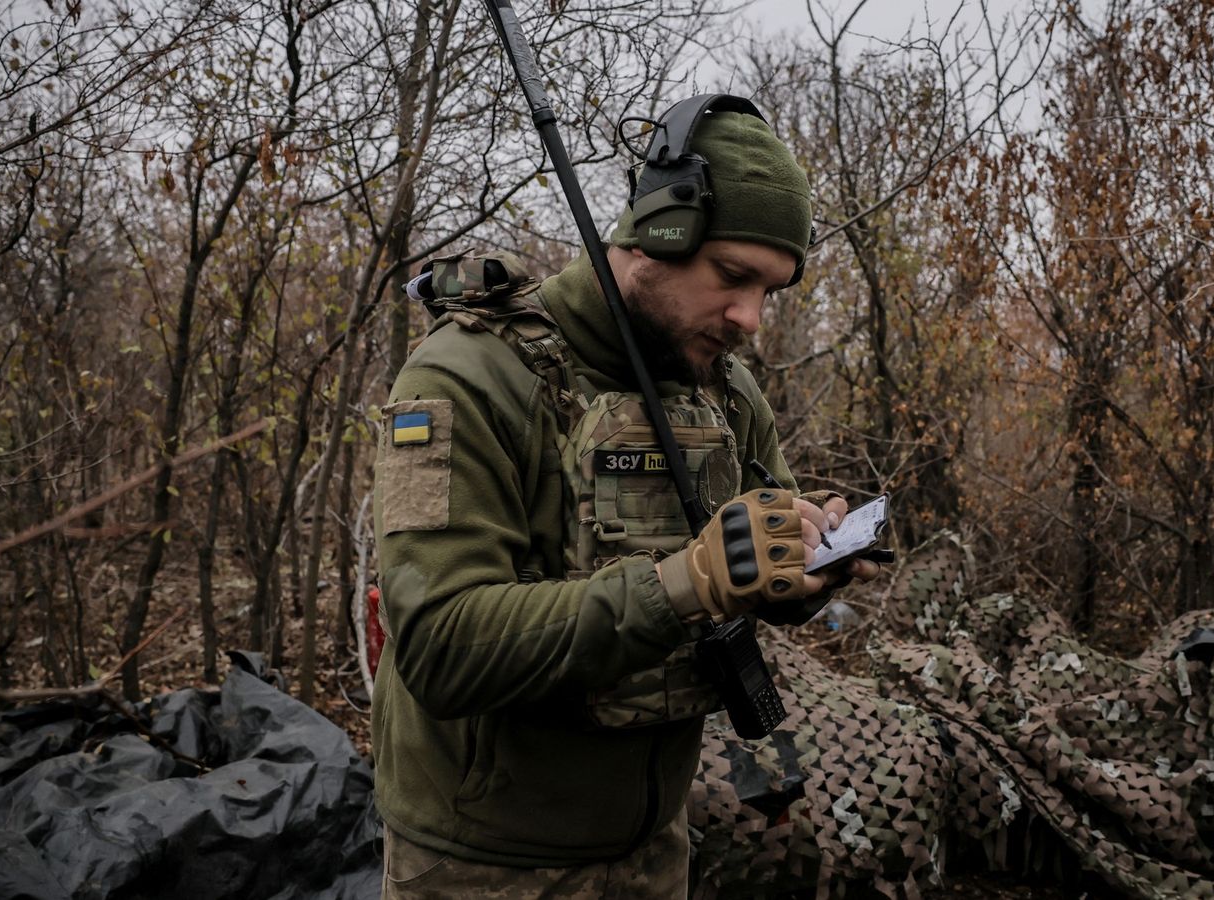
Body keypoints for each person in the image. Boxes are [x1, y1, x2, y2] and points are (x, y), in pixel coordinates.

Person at [370, 97, 880, 898]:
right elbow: (441, 645)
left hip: (655, 851)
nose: (749, 317)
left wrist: (804, 559)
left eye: (770, 290)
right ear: (658, 235)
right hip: (481, 865)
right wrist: (685, 582)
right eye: (733, 276)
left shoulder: (725, 390)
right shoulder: (466, 376)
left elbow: (752, 555)